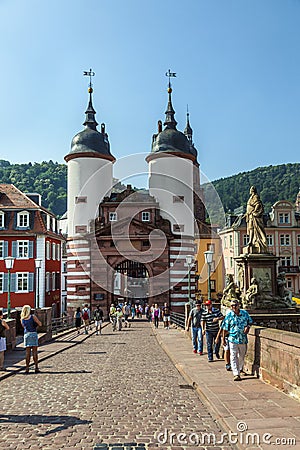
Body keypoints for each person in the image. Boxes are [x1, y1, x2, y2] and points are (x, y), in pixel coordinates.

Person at [222, 299, 253, 381]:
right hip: (232, 338)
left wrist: (248, 327)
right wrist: (223, 339)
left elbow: (250, 321)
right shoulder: (229, 315)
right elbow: (225, 328)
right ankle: (236, 373)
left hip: (242, 338)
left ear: (239, 305)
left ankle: (239, 368)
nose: (234, 307)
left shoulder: (244, 313)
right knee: (233, 355)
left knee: (242, 355)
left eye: (235, 305)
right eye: (232, 306)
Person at [244, 185, 268, 253]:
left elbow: (258, 204)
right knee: (251, 228)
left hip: (254, 216)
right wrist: (247, 212)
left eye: (251, 189)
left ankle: (252, 241)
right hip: (250, 215)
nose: (250, 190)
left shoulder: (256, 196)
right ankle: (251, 241)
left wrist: (254, 211)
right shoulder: (251, 197)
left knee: (255, 228)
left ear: (252, 190)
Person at [20, 305, 42, 374]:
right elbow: (40, 324)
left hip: (26, 335)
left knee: (27, 353)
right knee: (35, 352)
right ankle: (36, 367)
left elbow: (24, 327)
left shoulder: (22, 318)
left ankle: (27, 368)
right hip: (33, 334)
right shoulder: (33, 317)